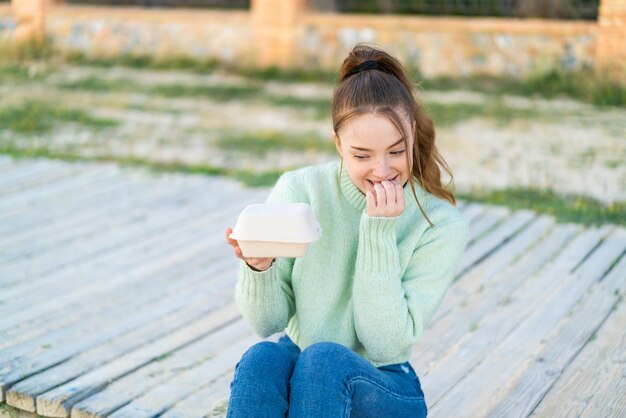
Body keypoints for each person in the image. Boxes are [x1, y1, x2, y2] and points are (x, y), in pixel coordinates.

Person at [224, 43, 469, 418]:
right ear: (338, 144)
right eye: (362, 155)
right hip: (302, 362)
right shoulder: (300, 191)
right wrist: (259, 268)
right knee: (263, 359)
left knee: (323, 362)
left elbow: (385, 344)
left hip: (384, 383)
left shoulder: (438, 224)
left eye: (396, 151)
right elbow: (267, 323)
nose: (382, 170)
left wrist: (379, 233)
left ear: (412, 134)